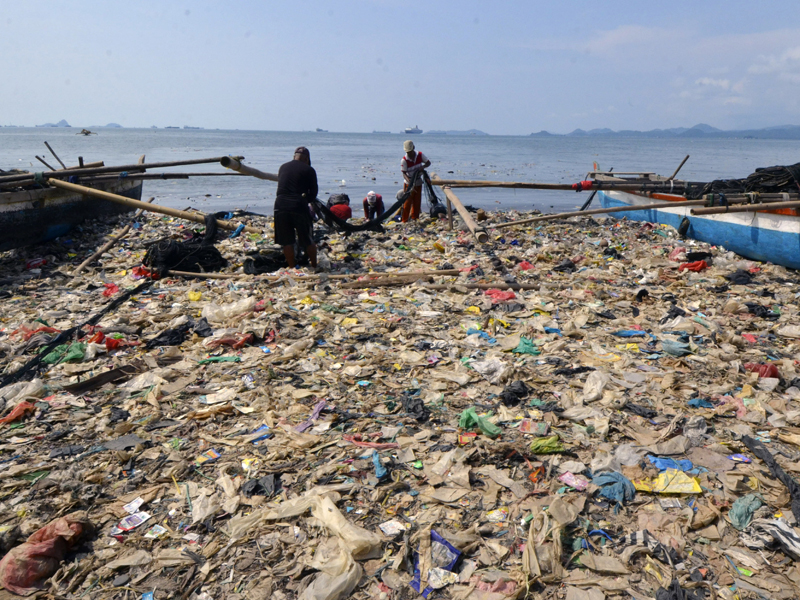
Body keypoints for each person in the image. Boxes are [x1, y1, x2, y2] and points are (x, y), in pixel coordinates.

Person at [274, 146, 318, 269]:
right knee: (307, 239)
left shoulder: (283, 167)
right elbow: (313, 193)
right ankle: (314, 266)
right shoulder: (309, 170)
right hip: (298, 205)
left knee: (286, 241)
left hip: (280, 205)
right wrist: (305, 200)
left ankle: (292, 267)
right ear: (306, 159)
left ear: (294, 156)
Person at [400, 140, 431, 222]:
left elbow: (428, 163)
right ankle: (404, 220)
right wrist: (410, 182)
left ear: (413, 148)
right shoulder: (404, 160)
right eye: (408, 152)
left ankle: (415, 218)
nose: (409, 154)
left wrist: (422, 167)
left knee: (417, 201)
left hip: (418, 182)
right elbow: (404, 173)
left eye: (410, 151)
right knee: (407, 202)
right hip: (409, 183)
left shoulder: (420, 155)